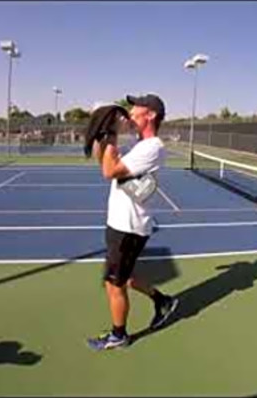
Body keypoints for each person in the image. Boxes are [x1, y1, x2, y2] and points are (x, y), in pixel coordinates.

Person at [87, 93, 178, 351]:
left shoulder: (152, 147)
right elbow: (104, 161)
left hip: (128, 226)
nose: (130, 111)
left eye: (135, 107)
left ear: (149, 114)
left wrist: (112, 132)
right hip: (121, 223)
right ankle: (162, 300)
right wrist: (103, 134)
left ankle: (119, 335)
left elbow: (109, 171)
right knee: (123, 278)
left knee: (113, 283)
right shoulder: (141, 145)